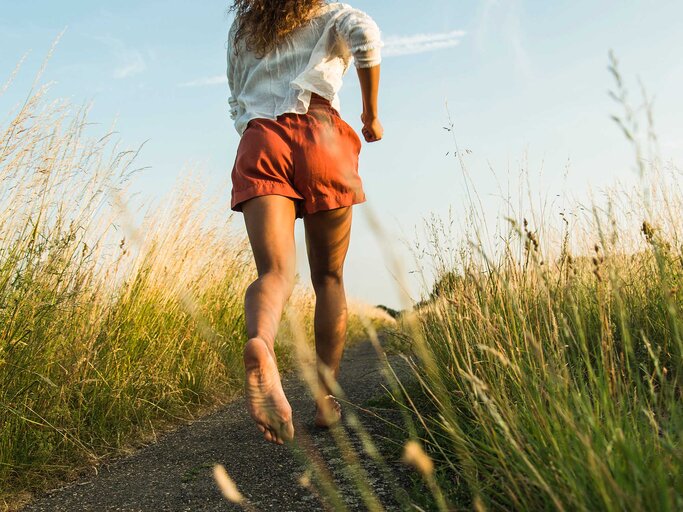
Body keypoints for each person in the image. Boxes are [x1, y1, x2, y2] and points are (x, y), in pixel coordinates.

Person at [227, 0, 383, 445]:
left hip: (261, 139)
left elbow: (236, 98)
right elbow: (366, 35)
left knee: (275, 272)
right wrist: (370, 113)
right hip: (321, 134)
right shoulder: (331, 11)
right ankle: (324, 400)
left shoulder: (245, 27)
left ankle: (260, 341)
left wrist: (258, 131)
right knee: (329, 277)